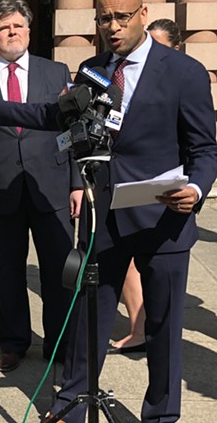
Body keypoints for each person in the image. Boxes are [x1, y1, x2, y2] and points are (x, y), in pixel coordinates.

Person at [0, 0, 217, 423]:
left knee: (163, 328)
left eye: (121, 16)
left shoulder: (183, 71)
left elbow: (205, 148)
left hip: (164, 219)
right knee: (88, 319)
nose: (112, 27)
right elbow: (55, 116)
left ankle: (160, 416)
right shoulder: (93, 70)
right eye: (104, 18)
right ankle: (72, 403)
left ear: (142, 13)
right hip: (104, 218)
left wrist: (193, 191)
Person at [0, 0, 83, 373]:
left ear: (29, 31)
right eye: (3, 28)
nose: (12, 32)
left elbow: (72, 131)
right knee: (6, 270)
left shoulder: (56, 72)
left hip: (53, 184)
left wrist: (76, 182)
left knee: (60, 269)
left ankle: (59, 343)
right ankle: (13, 342)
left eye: (18, 26)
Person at [109, 18, 182, 355]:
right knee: (125, 267)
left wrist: (193, 188)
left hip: (166, 199)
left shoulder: (184, 78)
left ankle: (147, 330)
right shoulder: (115, 74)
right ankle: (138, 326)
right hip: (123, 190)